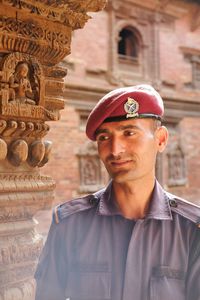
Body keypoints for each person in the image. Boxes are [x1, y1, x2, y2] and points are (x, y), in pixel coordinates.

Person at [34, 84, 200, 300]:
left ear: (160, 139)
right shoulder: (70, 224)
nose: (114, 150)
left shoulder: (191, 230)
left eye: (129, 133)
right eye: (104, 138)